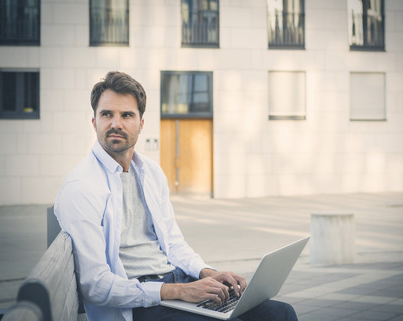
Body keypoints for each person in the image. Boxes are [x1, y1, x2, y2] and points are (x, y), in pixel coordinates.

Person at [54, 71, 298, 321]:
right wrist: (178, 291)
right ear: (94, 122)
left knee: (280, 313)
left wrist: (205, 272)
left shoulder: (150, 172)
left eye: (127, 115)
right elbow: (97, 286)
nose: (116, 123)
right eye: (107, 114)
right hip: (140, 303)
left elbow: (172, 242)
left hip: (176, 282)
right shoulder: (80, 187)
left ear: (141, 123)